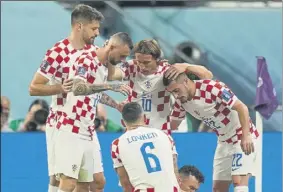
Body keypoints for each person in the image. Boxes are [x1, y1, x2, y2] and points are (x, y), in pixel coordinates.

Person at [28, 4, 113, 192]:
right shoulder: (57, 53)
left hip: (86, 125)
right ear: (79, 26)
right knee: (61, 180)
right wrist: (60, 87)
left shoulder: (93, 52)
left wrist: (115, 103)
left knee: (95, 181)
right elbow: (34, 87)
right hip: (63, 124)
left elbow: (95, 88)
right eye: (93, 28)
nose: (97, 33)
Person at [53, 32, 133, 192]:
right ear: (112, 47)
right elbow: (78, 87)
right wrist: (110, 86)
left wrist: (115, 105)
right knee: (68, 183)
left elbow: (94, 92)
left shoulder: (103, 65)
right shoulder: (87, 60)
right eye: (122, 56)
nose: (123, 61)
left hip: (88, 130)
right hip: (71, 128)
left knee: (96, 183)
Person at [163, 73, 259, 192]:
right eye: (172, 93)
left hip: (241, 136)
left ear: (186, 82)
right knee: (218, 189)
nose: (176, 95)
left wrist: (246, 135)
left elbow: (241, 107)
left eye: (177, 90)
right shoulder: (181, 101)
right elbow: (173, 124)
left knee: (238, 181)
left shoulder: (211, 88)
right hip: (223, 141)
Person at [107, 39, 213, 134]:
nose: (142, 66)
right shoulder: (132, 67)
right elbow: (111, 75)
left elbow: (207, 75)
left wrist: (186, 66)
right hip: (141, 129)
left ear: (157, 60)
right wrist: (111, 57)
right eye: (139, 61)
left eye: (146, 62)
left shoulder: (168, 71)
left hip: (170, 130)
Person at [111, 102, 180, 191]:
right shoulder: (165, 135)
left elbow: (125, 183)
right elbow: (175, 172)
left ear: (122, 122)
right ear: (144, 118)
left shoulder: (117, 144)